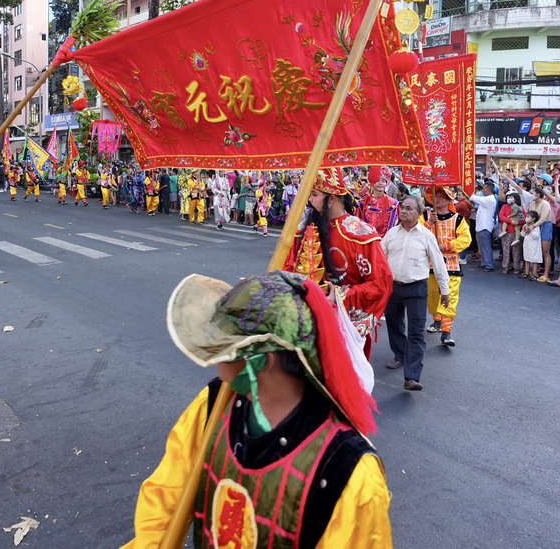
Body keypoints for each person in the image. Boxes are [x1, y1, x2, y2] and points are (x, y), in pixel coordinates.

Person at [122, 271, 390, 547]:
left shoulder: (347, 470)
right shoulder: (213, 406)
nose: (216, 346)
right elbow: (161, 507)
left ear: (262, 359)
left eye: (227, 339)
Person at [284, 168, 393, 360]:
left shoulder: (360, 234)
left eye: (314, 194)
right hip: (307, 321)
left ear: (332, 198)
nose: (309, 199)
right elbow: (289, 266)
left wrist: (341, 296)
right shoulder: (304, 228)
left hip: (345, 324)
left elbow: (381, 283)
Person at [382, 195, 449, 390]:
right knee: (394, 325)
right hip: (393, 287)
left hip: (416, 289)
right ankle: (400, 354)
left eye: (409, 208)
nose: (403, 210)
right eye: (402, 207)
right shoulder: (391, 234)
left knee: (417, 333)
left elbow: (438, 264)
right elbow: (379, 258)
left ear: (419, 213)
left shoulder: (427, 235)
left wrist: (445, 290)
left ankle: (411, 377)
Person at [421, 186, 471, 342]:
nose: (438, 198)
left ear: (450, 199)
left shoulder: (458, 219)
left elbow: (465, 239)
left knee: (450, 295)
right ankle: (437, 319)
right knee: (432, 295)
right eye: (436, 195)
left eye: (442, 196)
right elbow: (417, 234)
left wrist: (446, 246)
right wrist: (430, 223)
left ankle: (446, 332)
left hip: (451, 264)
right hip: (429, 264)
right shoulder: (425, 216)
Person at [469, 181, 499, 272]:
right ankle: (484, 263)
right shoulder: (487, 198)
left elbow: (474, 198)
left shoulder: (489, 199)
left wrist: (468, 189)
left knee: (486, 247)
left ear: (489, 190)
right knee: (483, 247)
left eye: (484, 189)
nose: (483, 190)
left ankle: (489, 265)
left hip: (485, 226)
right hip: (482, 225)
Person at [522, 210, 543, 280]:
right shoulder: (526, 225)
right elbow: (522, 235)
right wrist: (524, 229)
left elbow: (535, 236)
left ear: (533, 219)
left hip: (534, 246)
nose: (526, 218)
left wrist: (531, 230)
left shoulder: (536, 227)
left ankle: (535, 273)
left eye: (528, 216)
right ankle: (527, 272)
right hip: (527, 246)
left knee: (534, 260)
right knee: (527, 259)